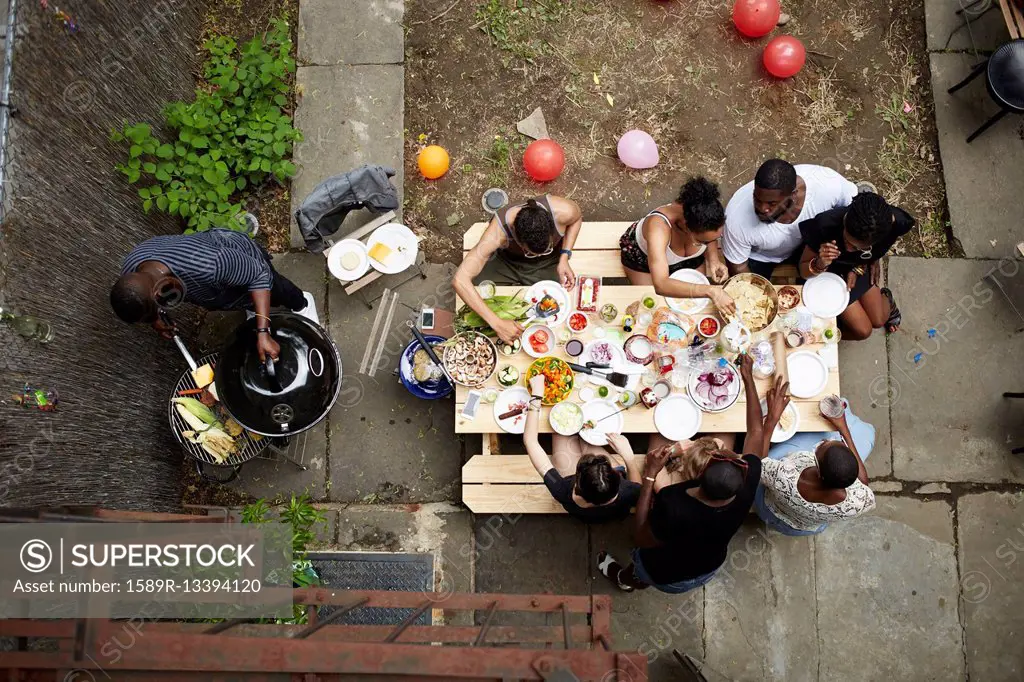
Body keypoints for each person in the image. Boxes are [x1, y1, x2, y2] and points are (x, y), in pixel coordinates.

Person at [596, 356, 787, 593]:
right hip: (709, 565)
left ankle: (625, 579)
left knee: (640, 571)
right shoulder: (746, 479)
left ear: (699, 475)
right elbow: (756, 433)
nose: (730, 451)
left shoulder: (674, 503)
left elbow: (641, 537)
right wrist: (747, 378)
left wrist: (650, 476)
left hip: (669, 573)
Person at [110, 229, 317, 361]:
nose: (162, 312)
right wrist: (155, 320)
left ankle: (303, 303)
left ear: (159, 289)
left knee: (276, 289)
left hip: (244, 260)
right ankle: (252, 307)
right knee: (240, 298)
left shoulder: (210, 265)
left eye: (158, 309)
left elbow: (259, 275)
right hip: (219, 278)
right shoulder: (133, 268)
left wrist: (263, 332)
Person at [453, 194, 583, 345]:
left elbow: (577, 219)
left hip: (548, 262)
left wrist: (564, 256)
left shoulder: (564, 211)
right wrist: (497, 323)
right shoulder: (498, 231)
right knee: (478, 291)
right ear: (518, 239)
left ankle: (545, 256)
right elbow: (460, 279)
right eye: (530, 252)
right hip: (508, 262)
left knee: (558, 301)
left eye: (547, 247)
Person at [524, 374, 642, 522]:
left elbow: (530, 441)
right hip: (611, 511)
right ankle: (582, 434)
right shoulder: (630, 491)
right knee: (586, 436)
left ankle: (578, 435)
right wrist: (629, 458)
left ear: (577, 481)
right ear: (618, 480)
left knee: (561, 430)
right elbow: (638, 486)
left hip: (582, 506)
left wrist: (536, 395)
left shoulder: (562, 489)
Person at [722, 159, 861, 280]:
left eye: (772, 204)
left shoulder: (828, 184)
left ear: (793, 195)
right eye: (757, 199)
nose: (762, 208)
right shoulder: (736, 218)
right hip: (761, 258)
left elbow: (859, 207)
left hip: (808, 244)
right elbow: (739, 267)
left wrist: (868, 257)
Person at [798, 192, 910, 340]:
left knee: (878, 320)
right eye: (847, 241)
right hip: (829, 274)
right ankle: (825, 336)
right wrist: (820, 263)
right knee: (863, 331)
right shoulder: (825, 224)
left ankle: (886, 297)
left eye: (860, 248)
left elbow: (880, 249)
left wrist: (863, 264)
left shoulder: (896, 224)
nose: (849, 250)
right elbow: (802, 271)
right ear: (844, 222)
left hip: (860, 267)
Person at [755, 401, 876, 536]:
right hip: (804, 528)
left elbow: (759, 463)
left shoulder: (784, 475)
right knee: (866, 431)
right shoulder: (856, 503)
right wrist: (843, 429)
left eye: (819, 447)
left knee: (830, 420)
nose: (825, 441)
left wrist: (771, 421)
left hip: (768, 511)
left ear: (818, 473)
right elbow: (864, 483)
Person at [619, 177, 736, 316]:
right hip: (643, 260)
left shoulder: (703, 214)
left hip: (685, 259)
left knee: (694, 308)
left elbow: (710, 237)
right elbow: (661, 284)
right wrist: (711, 290)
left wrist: (714, 259)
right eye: (703, 241)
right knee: (652, 305)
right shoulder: (658, 229)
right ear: (687, 228)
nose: (710, 243)